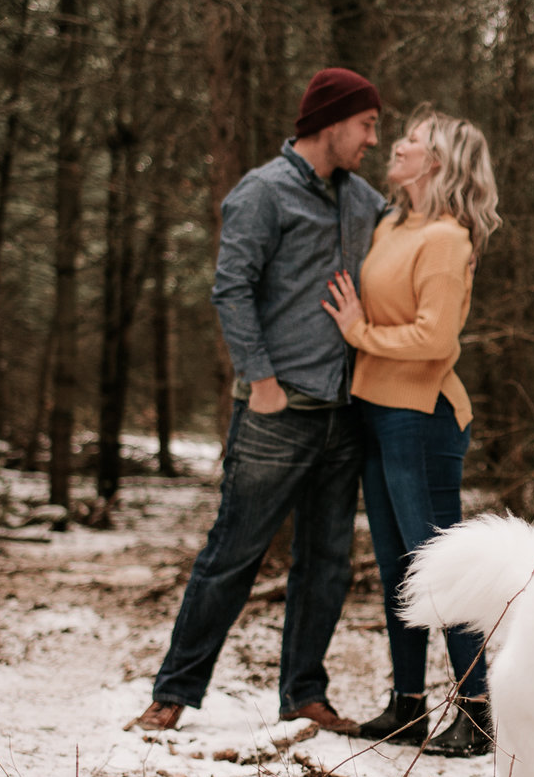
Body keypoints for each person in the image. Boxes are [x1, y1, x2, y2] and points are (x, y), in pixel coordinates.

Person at [127, 69, 386, 735]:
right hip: (277, 412)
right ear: (330, 122)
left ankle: (303, 692)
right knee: (232, 555)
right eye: (366, 124)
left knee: (326, 563)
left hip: (343, 413)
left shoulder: (363, 201)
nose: (374, 139)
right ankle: (174, 692)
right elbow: (231, 287)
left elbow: (411, 250)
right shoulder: (262, 192)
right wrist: (261, 380)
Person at [321, 106, 502, 756]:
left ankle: (478, 712)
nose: (397, 145)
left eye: (414, 141)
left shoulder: (448, 238)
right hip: (375, 408)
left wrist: (359, 333)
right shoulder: (396, 223)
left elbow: (436, 337)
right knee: (402, 570)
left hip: (422, 420)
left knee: (440, 570)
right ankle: (406, 706)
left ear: (438, 163)